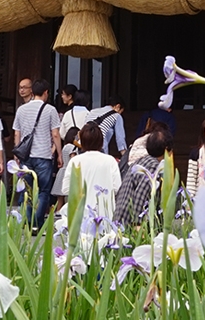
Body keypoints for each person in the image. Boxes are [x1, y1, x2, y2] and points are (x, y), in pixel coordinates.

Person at [12, 79, 61, 230]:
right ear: (46, 92)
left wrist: (16, 152)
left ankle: (26, 223)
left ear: (32, 92)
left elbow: (17, 134)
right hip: (44, 156)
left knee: (28, 191)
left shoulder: (21, 109)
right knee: (43, 191)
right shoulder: (50, 110)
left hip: (26, 157)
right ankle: (36, 224)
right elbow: (55, 135)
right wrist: (59, 154)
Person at [115, 129, 185, 228]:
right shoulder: (153, 166)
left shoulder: (141, 161)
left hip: (120, 219)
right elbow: (141, 194)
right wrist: (138, 224)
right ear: (166, 149)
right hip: (129, 225)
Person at [67, 121, 123, 223]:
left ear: (82, 141)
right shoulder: (110, 161)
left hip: (80, 216)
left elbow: (66, 189)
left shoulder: (75, 161)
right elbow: (117, 187)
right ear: (101, 142)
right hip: (105, 216)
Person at [51, 85, 92, 204]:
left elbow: (62, 134)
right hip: (84, 149)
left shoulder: (68, 114)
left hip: (68, 148)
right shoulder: (88, 114)